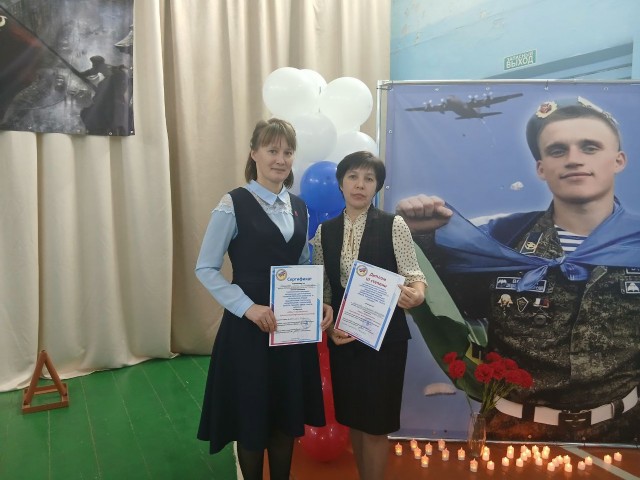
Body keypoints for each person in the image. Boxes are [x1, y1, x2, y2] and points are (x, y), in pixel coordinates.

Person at [396, 96, 640, 443]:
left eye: (589, 147)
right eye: (557, 150)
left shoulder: (635, 242)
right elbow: (450, 305)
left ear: (618, 160)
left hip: (623, 433)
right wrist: (419, 237)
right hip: (514, 432)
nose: (574, 159)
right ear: (541, 168)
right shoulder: (501, 240)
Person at [195, 118, 333, 480]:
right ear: (254, 153)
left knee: (285, 420)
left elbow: (302, 264)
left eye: (288, 152)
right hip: (248, 331)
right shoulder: (233, 203)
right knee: (252, 421)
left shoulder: (299, 206)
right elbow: (205, 268)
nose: (281, 159)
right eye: (272, 150)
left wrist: (316, 301)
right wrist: (247, 308)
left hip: (291, 330)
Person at [312, 151, 427, 479]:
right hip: (344, 339)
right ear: (341, 183)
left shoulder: (393, 225)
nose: (360, 185)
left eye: (369, 178)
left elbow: (414, 275)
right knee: (355, 421)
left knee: (376, 426)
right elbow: (325, 290)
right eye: (353, 177)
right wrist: (329, 327)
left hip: (385, 342)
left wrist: (417, 294)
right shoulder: (324, 231)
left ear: (377, 186)